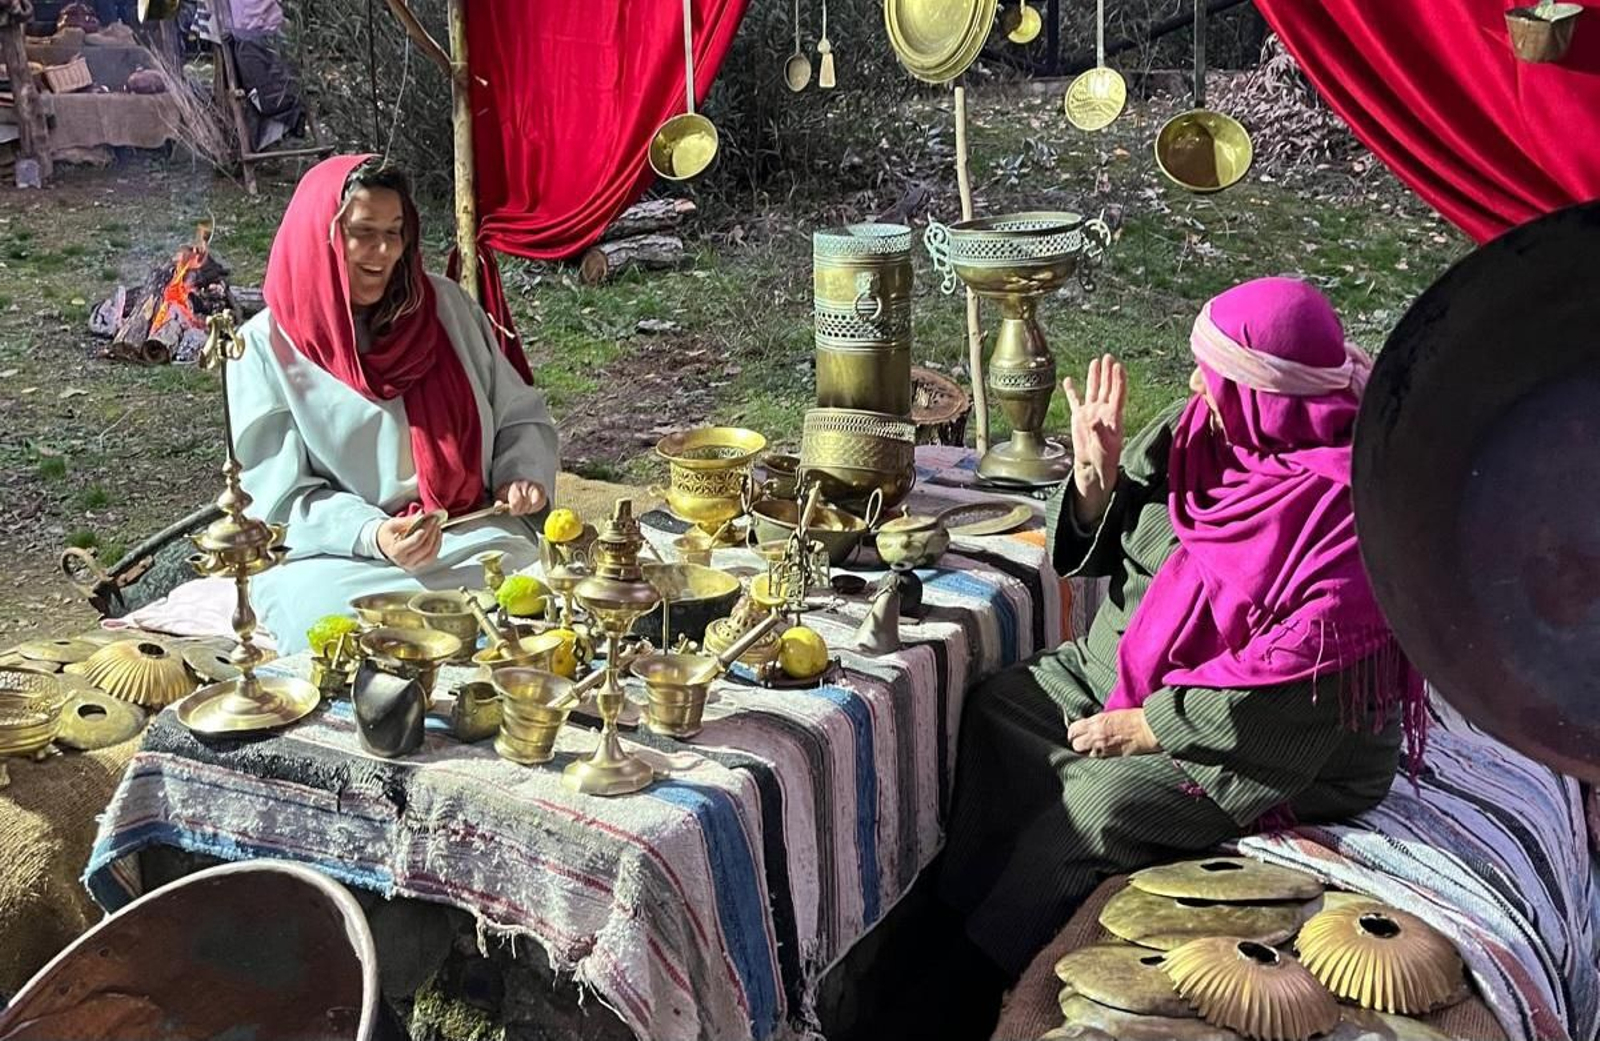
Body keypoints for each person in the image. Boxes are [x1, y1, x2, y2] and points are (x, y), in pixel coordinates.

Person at [937, 277, 1425, 994]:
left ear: (1268, 395)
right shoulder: (1196, 428)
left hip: (1267, 740)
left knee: (1092, 810)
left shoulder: (1349, 515)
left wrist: (1147, 726)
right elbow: (1105, 547)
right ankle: (950, 923)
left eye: (1216, 372)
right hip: (1127, 669)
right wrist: (1095, 478)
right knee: (997, 710)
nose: (1196, 380)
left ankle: (992, 983)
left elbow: (1291, 687)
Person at [228, 154, 558, 654]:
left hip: (467, 538)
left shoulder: (445, 308)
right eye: (362, 232)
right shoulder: (264, 348)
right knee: (321, 619)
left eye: (394, 232)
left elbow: (519, 414)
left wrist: (520, 472)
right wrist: (374, 534)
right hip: (343, 560)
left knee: (542, 581)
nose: (382, 251)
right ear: (321, 236)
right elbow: (278, 501)